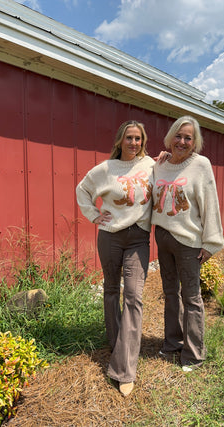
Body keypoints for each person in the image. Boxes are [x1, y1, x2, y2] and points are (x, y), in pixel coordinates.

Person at [76, 120, 155, 397]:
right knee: (111, 290)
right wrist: (94, 214)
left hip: (137, 238)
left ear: (143, 141)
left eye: (138, 139)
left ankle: (124, 370)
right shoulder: (105, 169)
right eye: (129, 138)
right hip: (109, 235)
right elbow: (82, 189)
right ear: (120, 140)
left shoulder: (151, 166)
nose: (134, 143)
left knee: (133, 296)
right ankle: (116, 341)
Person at [151, 115, 224, 372]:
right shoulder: (159, 164)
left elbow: (210, 203)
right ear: (171, 137)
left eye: (188, 138)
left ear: (195, 142)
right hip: (163, 236)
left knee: (191, 297)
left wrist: (210, 241)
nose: (182, 141)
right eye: (178, 136)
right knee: (170, 293)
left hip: (189, 242)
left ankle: (194, 354)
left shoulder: (201, 165)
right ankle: (172, 342)